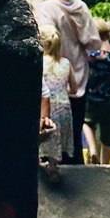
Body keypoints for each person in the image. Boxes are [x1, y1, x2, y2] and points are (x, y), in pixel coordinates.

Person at [37, 0, 100, 163]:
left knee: (52, 129)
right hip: (79, 76)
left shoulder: (47, 9)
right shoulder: (82, 7)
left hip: (54, 78)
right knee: (76, 123)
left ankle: (56, 164)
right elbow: (93, 42)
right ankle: (75, 162)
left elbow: (44, 39)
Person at [83, 18, 110, 165]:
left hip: (93, 97)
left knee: (86, 123)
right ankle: (104, 164)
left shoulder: (91, 56)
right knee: (108, 137)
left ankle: (92, 148)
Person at [39, 24, 75, 182]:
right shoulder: (66, 63)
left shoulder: (40, 63)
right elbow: (74, 88)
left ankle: (40, 163)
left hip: (46, 108)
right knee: (58, 138)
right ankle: (54, 168)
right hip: (64, 107)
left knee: (44, 136)